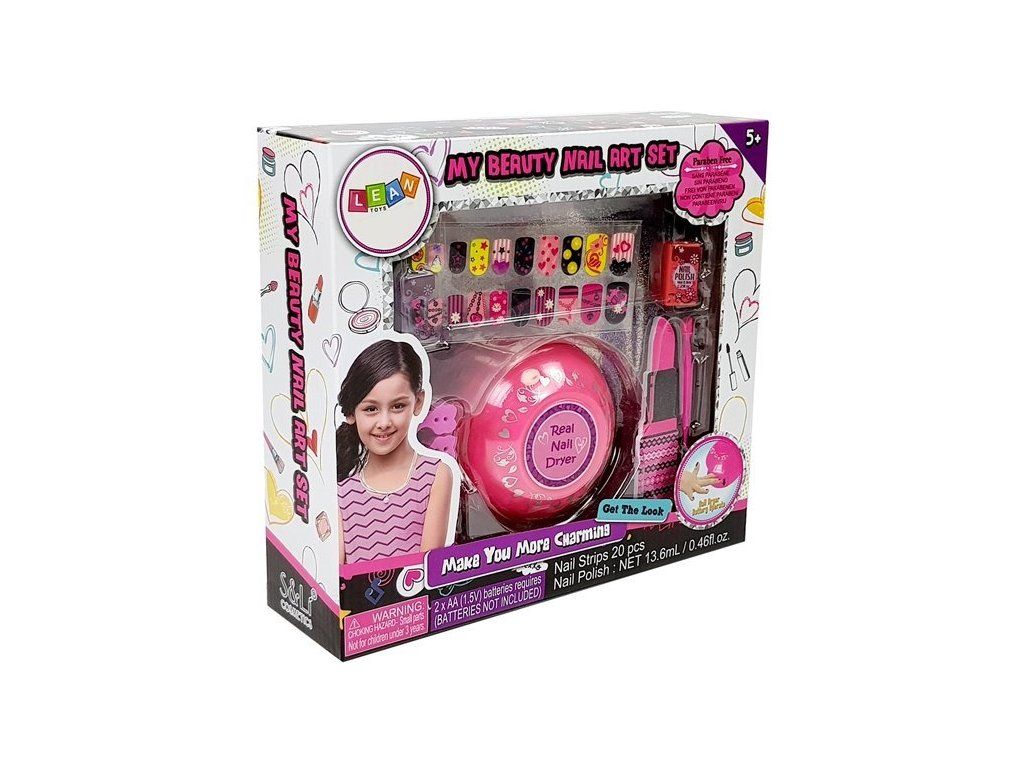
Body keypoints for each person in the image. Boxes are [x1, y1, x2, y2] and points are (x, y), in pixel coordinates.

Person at [335, 339, 453, 564]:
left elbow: (428, 566)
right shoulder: (341, 489)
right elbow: (337, 572)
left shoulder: (435, 475)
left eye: (398, 406)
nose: (384, 422)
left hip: (415, 586)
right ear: (351, 412)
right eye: (371, 409)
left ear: (418, 402)